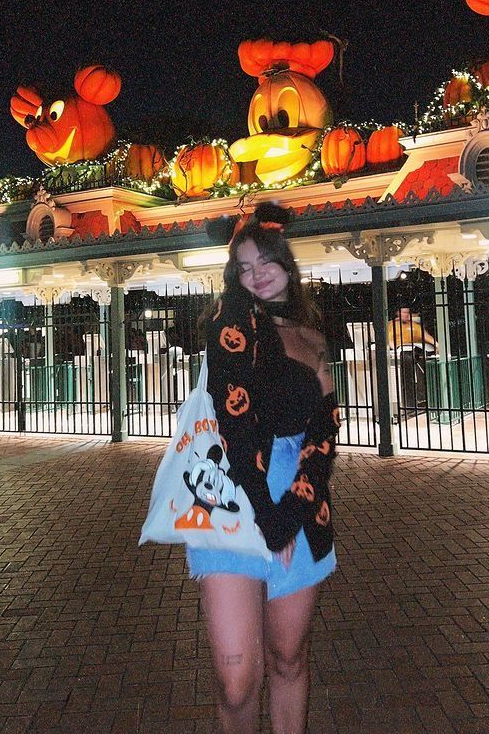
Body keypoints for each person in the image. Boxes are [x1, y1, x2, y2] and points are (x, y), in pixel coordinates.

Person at [189, 203, 339, 733]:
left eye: (264, 260)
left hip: (299, 496)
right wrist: (268, 515)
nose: (255, 273)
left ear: (287, 263)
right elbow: (237, 425)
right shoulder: (234, 325)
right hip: (235, 495)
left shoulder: (315, 338)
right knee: (236, 682)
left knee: (289, 659)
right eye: (243, 266)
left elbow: (324, 432)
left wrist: (293, 508)